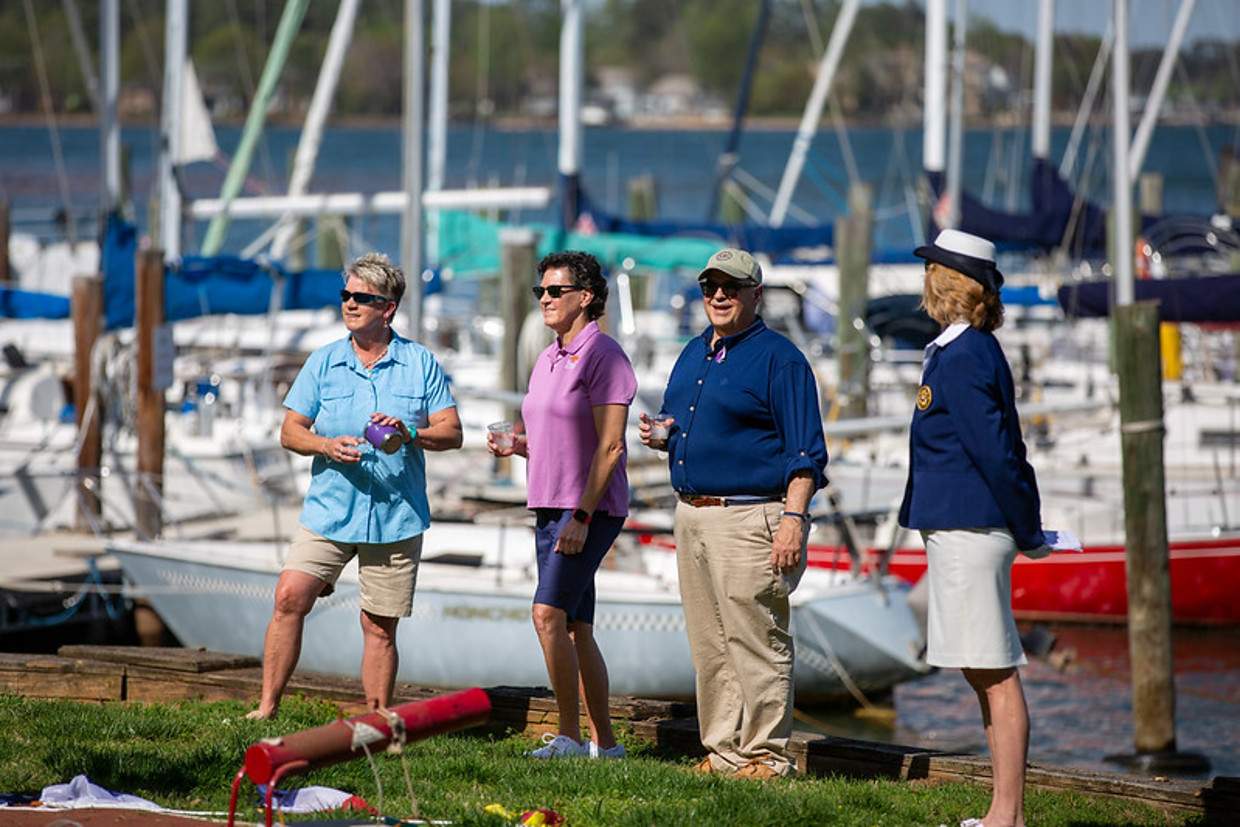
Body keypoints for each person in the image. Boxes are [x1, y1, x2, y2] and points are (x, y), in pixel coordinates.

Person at [639, 247, 829, 779]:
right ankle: (724, 752)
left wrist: (794, 522)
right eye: (709, 287)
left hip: (752, 518)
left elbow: (806, 454)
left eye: (731, 287)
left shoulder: (780, 358)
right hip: (694, 514)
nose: (718, 296)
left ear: (756, 295)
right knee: (711, 645)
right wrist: (666, 436)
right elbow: (690, 420)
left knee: (757, 639)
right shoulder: (695, 351)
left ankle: (768, 756)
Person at [247, 252, 463, 720]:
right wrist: (325, 445)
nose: (350, 303)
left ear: (388, 308)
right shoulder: (324, 362)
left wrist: (409, 433)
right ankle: (265, 709)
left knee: (379, 627)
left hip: (396, 515)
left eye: (362, 297)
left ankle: (377, 721)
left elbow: (453, 433)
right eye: (346, 294)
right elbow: (290, 432)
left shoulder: (420, 362)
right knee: (289, 597)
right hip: (330, 510)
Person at [899, 229, 1050, 827]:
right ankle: (1000, 812)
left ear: (943, 283)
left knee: (995, 671)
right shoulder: (958, 350)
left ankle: (1006, 816)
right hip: (958, 526)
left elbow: (997, 454)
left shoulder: (964, 356)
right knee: (980, 668)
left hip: (971, 527)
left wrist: (1029, 528)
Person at [487, 250, 636, 759]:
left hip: (587, 510)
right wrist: (520, 446)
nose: (545, 299)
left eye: (555, 291)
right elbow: (558, 434)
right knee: (577, 627)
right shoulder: (549, 356)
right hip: (549, 505)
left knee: (546, 614)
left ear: (585, 297)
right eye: (541, 292)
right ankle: (607, 746)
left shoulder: (605, 355)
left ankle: (569, 737)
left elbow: (612, 445)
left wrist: (582, 517)